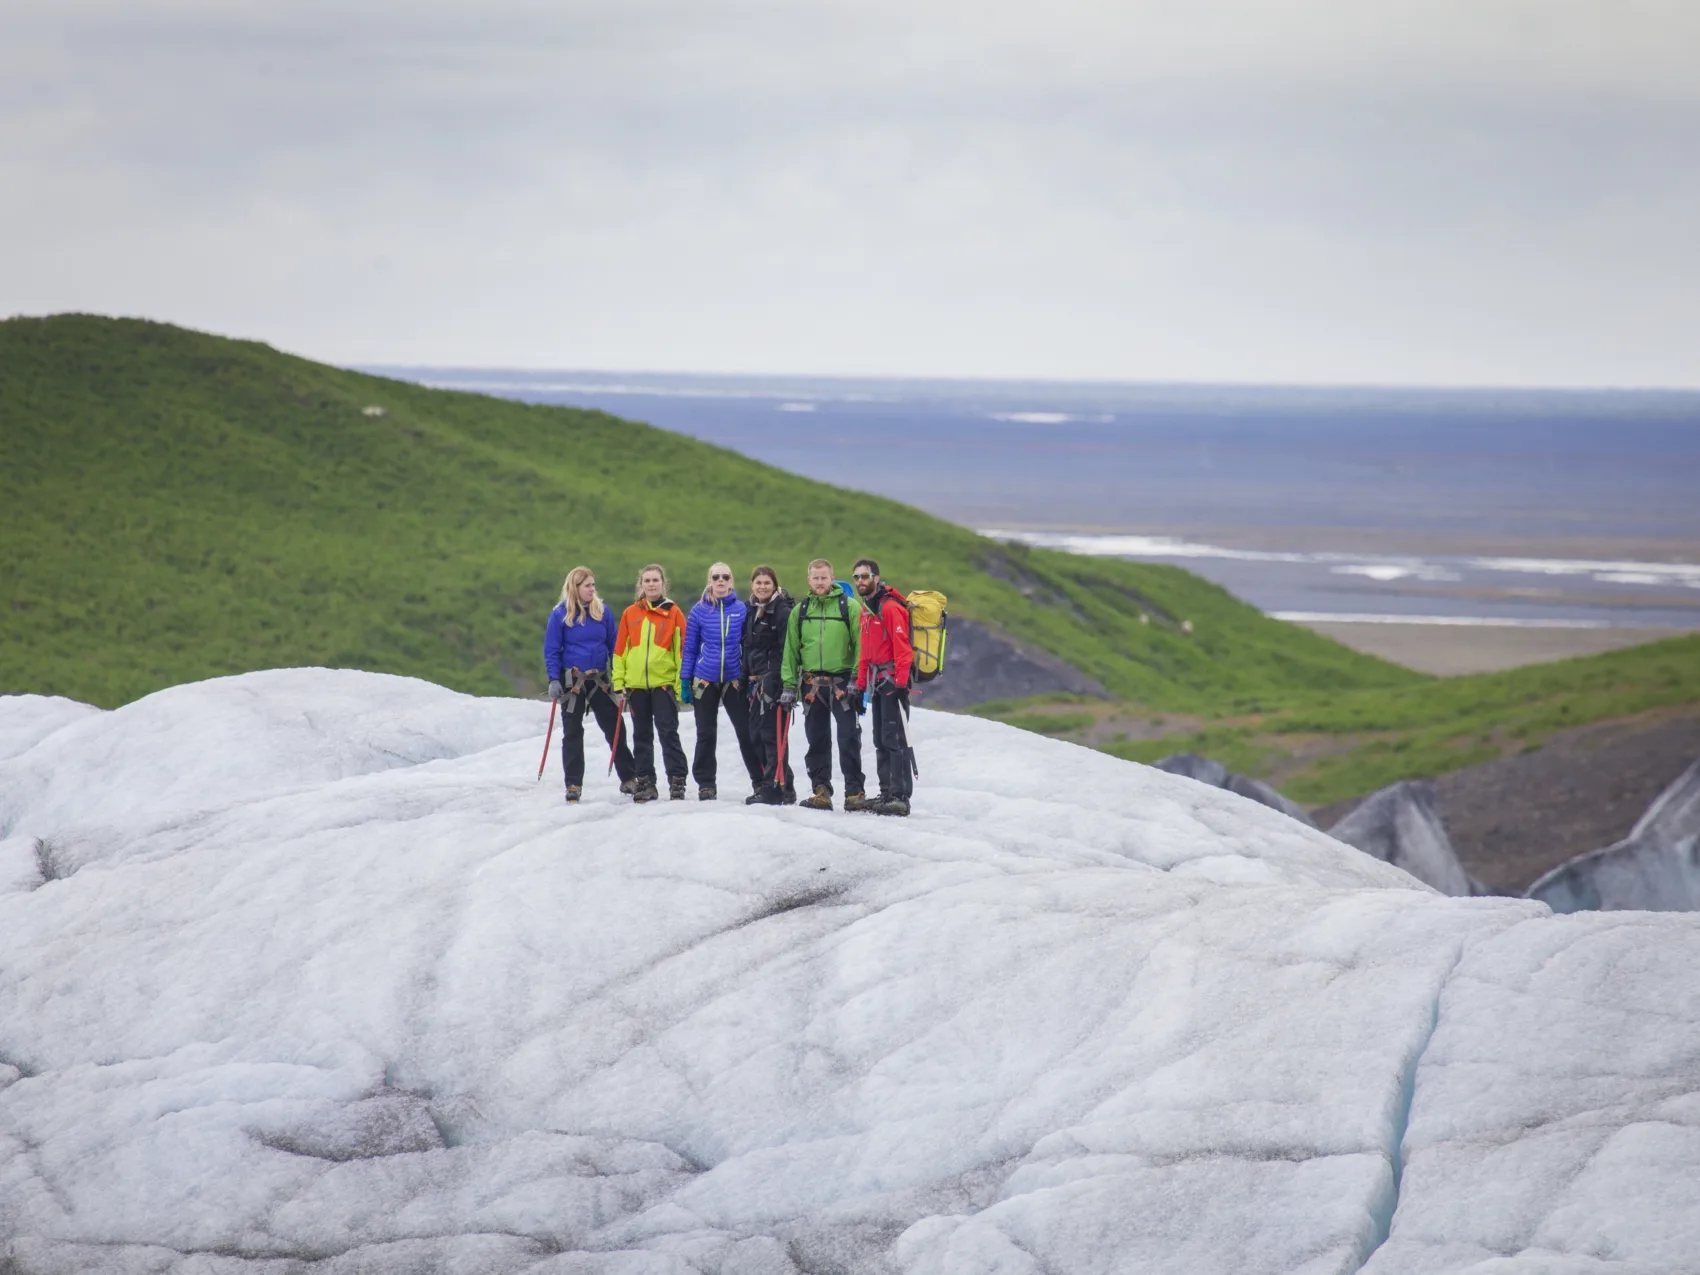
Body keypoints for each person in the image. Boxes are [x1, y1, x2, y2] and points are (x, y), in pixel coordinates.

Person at [780, 557, 868, 811]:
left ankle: (854, 792)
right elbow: (791, 651)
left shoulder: (849, 607)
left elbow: (861, 645)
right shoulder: (801, 610)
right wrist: (788, 686)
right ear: (809, 580)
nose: (820, 582)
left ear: (832, 578)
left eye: (824, 578)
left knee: (848, 737)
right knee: (817, 739)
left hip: (843, 685)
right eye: (815, 578)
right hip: (811, 686)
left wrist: (855, 678)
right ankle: (821, 791)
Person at [543, 566, 636, 802]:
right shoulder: (560, 614)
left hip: (599, 681)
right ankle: (573, 784)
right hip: (572, 683)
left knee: (616, 728)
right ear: (575, 588)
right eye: (587, 586)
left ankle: (629, 778)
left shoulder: (602, 612)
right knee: (572, 732)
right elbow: (552, 649)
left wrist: (620, 676)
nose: (592, 590)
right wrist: (553, 678)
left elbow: (615, 646)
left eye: (593, 585)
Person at [681, 561, 764, 801]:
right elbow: (690, 649)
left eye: (725, 577)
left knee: (746, 732)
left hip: (734, 679)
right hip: (704, 679)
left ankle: (759, 781)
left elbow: (748, 646)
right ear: (709, 581)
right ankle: (706, 784)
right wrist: (686, 680)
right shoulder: (698, 611)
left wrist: (748, 677)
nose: (720, 581)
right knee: (705, 733)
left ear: (731, 581)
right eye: (715, 577)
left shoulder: (742, 609)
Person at [613, 564, 689, 802]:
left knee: (668, 733)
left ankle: (677, 781)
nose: (651, 584)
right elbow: (619, 651)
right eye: (647, 581)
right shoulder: (630, 614)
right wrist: (619, 682)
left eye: (655, 580)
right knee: (641, 735)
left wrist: (679, 686)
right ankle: (646, 783)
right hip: (636, 687)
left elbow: (682, 652)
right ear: (641, 585)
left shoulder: (674, 613)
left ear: (663, 584)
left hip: (663, 685)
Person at [852, 558, 915, 816]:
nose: (860, 581)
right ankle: (887, 793)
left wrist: (901, 685)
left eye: (865, 576)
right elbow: (866, 654)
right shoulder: (867, 610)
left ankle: (900, 797)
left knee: (894, 739)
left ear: (876, 578)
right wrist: (859, 688)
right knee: (880, 738)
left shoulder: (889, 608)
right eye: (856, 577)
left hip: (892, 683)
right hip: (877, 684)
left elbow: (903, 649)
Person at [741, 564, 797, 805]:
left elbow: (788, 649)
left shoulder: (782, 611)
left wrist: (785, 685)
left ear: (774, 585)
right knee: (756, 736)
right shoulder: (750, 610)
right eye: (758, 582)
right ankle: (785, 786)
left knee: (771, 737)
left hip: (773, 681)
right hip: (755, 682)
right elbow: (747, 647)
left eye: (767, 583)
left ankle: (773, 788)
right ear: (752, 585)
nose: (762, 586)